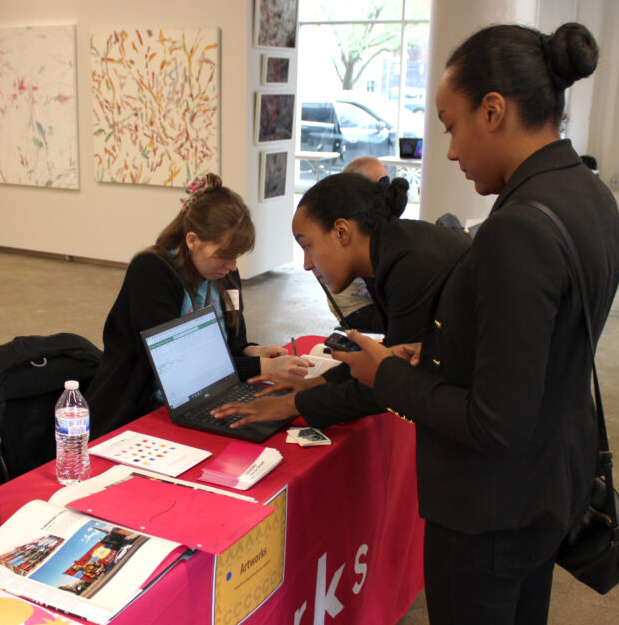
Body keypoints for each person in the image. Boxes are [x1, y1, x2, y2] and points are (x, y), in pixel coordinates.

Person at [331, 22, 619, 625]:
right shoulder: (588, 195)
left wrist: (387, 375)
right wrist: (438, 360)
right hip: (547, 482)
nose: (453, 150)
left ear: (494, 110)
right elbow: (540, 352)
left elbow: (495, 421)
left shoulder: (517, 228)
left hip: (489, 508)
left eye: (452, 125)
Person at [209, 172, 470, 431]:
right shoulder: (387, 250)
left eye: (308, 247)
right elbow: (390, 356)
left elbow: (391, 379)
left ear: (342, 232)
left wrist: (291, 405)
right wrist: (316, 383)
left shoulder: (409, 266)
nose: (307, 264)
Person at [85, 173, 308, 439]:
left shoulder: (224, 274)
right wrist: (263, 369)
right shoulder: (151, 272)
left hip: (208, 394)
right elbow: (178, 370)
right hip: (140, 404)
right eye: (225, 255)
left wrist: (254, 351)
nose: (232, 266)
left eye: (237, 256)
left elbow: (233, 343)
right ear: (192, 241)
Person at [321, 156, 394, 334]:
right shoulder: (347, 226)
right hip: (359, 310)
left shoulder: (367, 219)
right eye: (380, 185)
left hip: (374, 302)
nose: (386, 192)